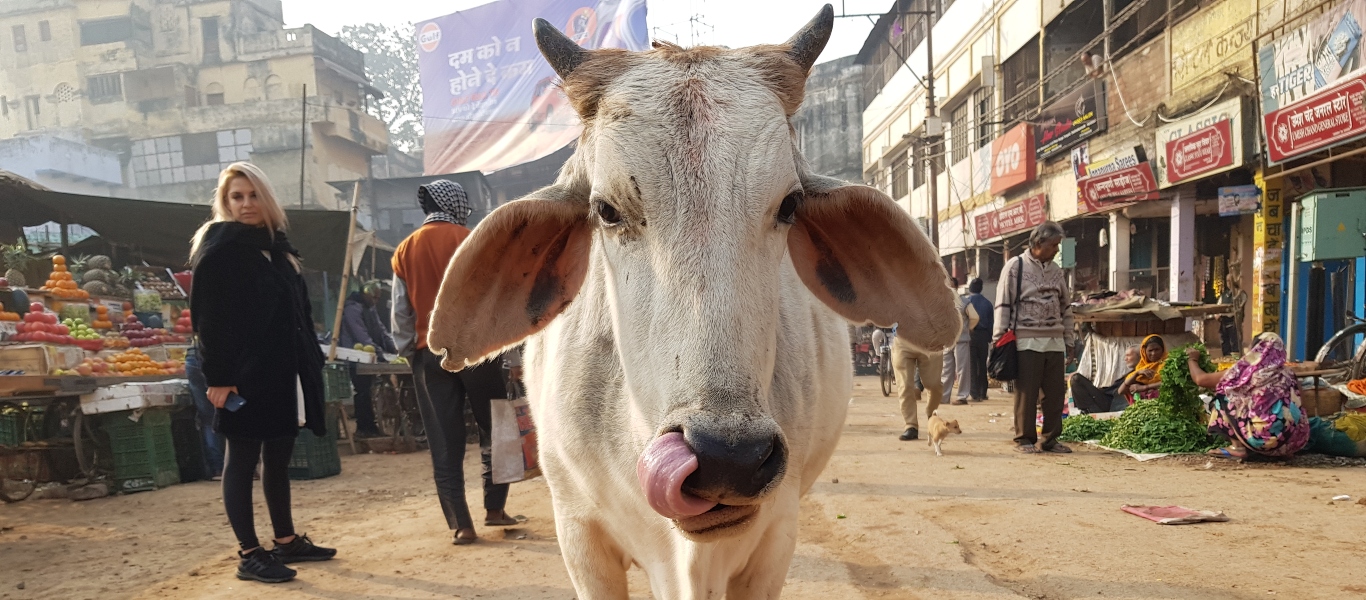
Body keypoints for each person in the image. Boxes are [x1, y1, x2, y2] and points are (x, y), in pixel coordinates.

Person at [189, 162, 336, 584]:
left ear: (267, 199)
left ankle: (286, 541)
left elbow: (298, 315)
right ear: (225, 202)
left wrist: (311, 363)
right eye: (237, 197)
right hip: (243, 375)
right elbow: (209, 320)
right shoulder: (221, 249)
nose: (246, 204)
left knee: (278, 457)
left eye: (253, 195)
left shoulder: (277, 247)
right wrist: (217, 377)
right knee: (242, 459)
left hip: (283, 372)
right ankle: (249, 554)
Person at [392, 179, 519, 546]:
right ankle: (495, 509)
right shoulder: (474, 238)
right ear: (458, 204)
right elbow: (499, 300)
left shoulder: (405, 249)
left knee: (444, 441)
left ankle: (461, 525)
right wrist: (506, 352)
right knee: (495, 429)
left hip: (428, 353)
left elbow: (399, 313)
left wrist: (411, 352)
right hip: (477, 352)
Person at [997, 221, 1074, 454]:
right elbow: (1003, 304)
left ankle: (1050, 439)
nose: (1057, 250)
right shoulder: (1015, 266)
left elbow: (1066, 307)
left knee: (1054, 394)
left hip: (1054, 340)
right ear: (1038, 243)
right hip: (1026, 341)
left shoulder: (1056, 270)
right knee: (1026, 393)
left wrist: (1069, 340)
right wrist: (999, 338)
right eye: (1053, 245)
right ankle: (1024, 439)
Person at [1186, 334, 1310, 461]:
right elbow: (1303, 405)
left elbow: (1200, 379)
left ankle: (1237, 448)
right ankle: (1280, 451)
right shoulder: (1289, 373)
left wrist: (1192, 360)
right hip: (1292, 444)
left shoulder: (1246, 371)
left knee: (1224, 395)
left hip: (1263, 441)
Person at [340, 280, 397, 437]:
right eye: (374, 298)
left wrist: (393, 348)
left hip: (369, 357)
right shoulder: (352, 309)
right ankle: (364, 428)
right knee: (362, 392)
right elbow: (362, 336)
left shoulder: (370, 309)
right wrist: (380, 352)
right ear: (366, 294)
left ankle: (371, 427)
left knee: (368, 391)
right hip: (355, 358)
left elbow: (381, 330)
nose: (376, 301)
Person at [892, 327, 944, 441]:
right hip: (902, 340)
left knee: (933, 384)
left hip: (931, 340)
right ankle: (911, 426)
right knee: (904, 386)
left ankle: (931, 414)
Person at [184, 345, 225, 479]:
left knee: (208, 419)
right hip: (218, 357)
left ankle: (217, 469)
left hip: (193, 357)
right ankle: (245, 466)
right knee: (234, 413)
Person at [941, 278, 980, 406]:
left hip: (961, 340)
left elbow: (974, 317)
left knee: (961, 369)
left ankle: (962, 396)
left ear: (956, 287)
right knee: (947, 370)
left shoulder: (964, 302)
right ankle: (944, 396)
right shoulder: (943, 302)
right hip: (948, 341)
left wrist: (966, 330)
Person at [1070, 346, 1140, 414]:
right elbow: (1111, 390)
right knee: (1076, 379)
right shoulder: (1130, 374)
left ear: (1140, 355)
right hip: (1109, 400)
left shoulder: (1142, 373)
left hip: (1119, 407)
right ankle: (1090, 414)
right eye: (1125, 356)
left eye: (1128, 355)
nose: (1125, 359)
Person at [965, 278, 994, 401]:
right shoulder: (987, 303)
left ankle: (974, 393)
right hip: (983, 336)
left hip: (970, 335)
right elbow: (991, 323)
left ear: (970, 288)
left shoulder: (967, 302)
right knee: (982, 365)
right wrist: (989, 337)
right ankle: (983, 392)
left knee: (972, 365)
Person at [1116, 335, 1167, 402]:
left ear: (1162, 350)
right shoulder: (1141, 369)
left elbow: (1170, 383)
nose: (1154, 353)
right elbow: (1121, 391)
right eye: (1150, 350)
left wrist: (1145, 387)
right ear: (1144, 352)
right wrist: (1137, 373)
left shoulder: (1168, 364)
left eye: (1157, 349)